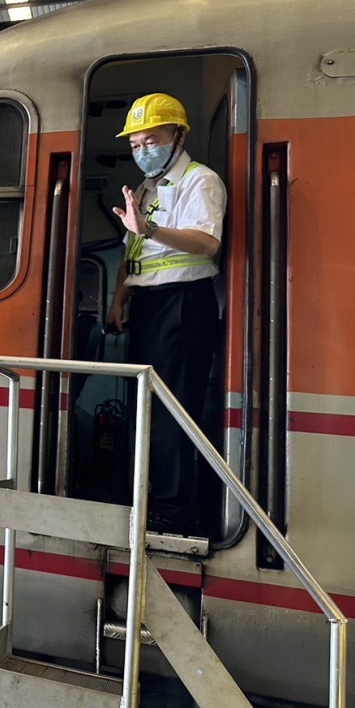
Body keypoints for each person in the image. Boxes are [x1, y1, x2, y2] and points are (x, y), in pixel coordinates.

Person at [108, 93, 226, 536]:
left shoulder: (201, 180)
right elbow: (132, 252)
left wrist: (151, 228)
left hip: (184, 304)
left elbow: (207, 243)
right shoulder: (146, 189)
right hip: (149, 306)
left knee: (173, 411)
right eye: (135, 144)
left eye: (152, 141)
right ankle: (153, 501)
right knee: (148, 409)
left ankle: (176, 513)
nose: (143, 151)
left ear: (179, 136)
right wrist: (119, 298)